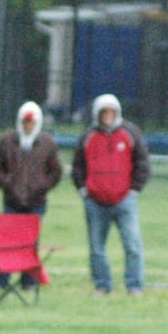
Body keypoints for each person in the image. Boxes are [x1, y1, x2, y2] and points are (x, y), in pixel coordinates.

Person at [69, 93, 149, 295]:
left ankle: (134, 285)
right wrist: (83, 190)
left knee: (132, 245)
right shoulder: (88, 137)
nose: (108, 115)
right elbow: (77, 166)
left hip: (124, 200)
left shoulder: (130, 134)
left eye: (111, 111)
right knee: (97, 248)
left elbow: (142, 162)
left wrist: (134, 189)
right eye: (104, 112)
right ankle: (102, 285)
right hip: (95, 201)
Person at [0, 100, 64, 289]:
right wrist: (7, 184)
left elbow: (56, 171)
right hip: (12, 200)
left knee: (31, 243)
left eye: (31, 122)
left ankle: (29, 281)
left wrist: (42, 186)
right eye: (25, 121)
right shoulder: (7, 141)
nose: (28, 125)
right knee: (7, 241)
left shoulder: (47, 143)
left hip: (36, 201)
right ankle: (2, 279)